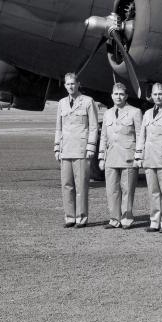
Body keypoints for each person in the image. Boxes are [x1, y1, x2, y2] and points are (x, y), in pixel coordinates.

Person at [53, 72, 99, 228]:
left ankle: (81, 217)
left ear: (79, 84)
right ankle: (69, 216)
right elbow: (58, 128)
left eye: (73, 83)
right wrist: (57, 148)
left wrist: (91, 146)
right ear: (65, 85)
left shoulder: (87, 102)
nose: (70, 86)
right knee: (66, 185)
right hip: (65, 149)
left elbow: (93, 127)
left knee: (81, 185)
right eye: (68, 84)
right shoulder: (61, 103)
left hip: (81, 150)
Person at [135, 83, 162, 233]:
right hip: (149, 157)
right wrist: (139, 155)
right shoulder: (147, 113)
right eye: (155, 94)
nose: (157, 97)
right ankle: (155, 221)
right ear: (151, 96)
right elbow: (142, 135)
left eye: (160, 94)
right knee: (153, 191)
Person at [98, 82, 143, 229]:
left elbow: (140, 135)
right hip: (111, 156)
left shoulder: (135, 112)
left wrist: (138, 156)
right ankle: (114, 219)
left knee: (128, 189)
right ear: (111, 96)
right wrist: (101, 157)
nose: (118, 97)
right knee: (111, 190)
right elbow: (103, 136)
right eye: (116, 94)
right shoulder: (107, 113)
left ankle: (126, 219)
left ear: (126, 96)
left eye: (121, 94)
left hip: (128, 156)